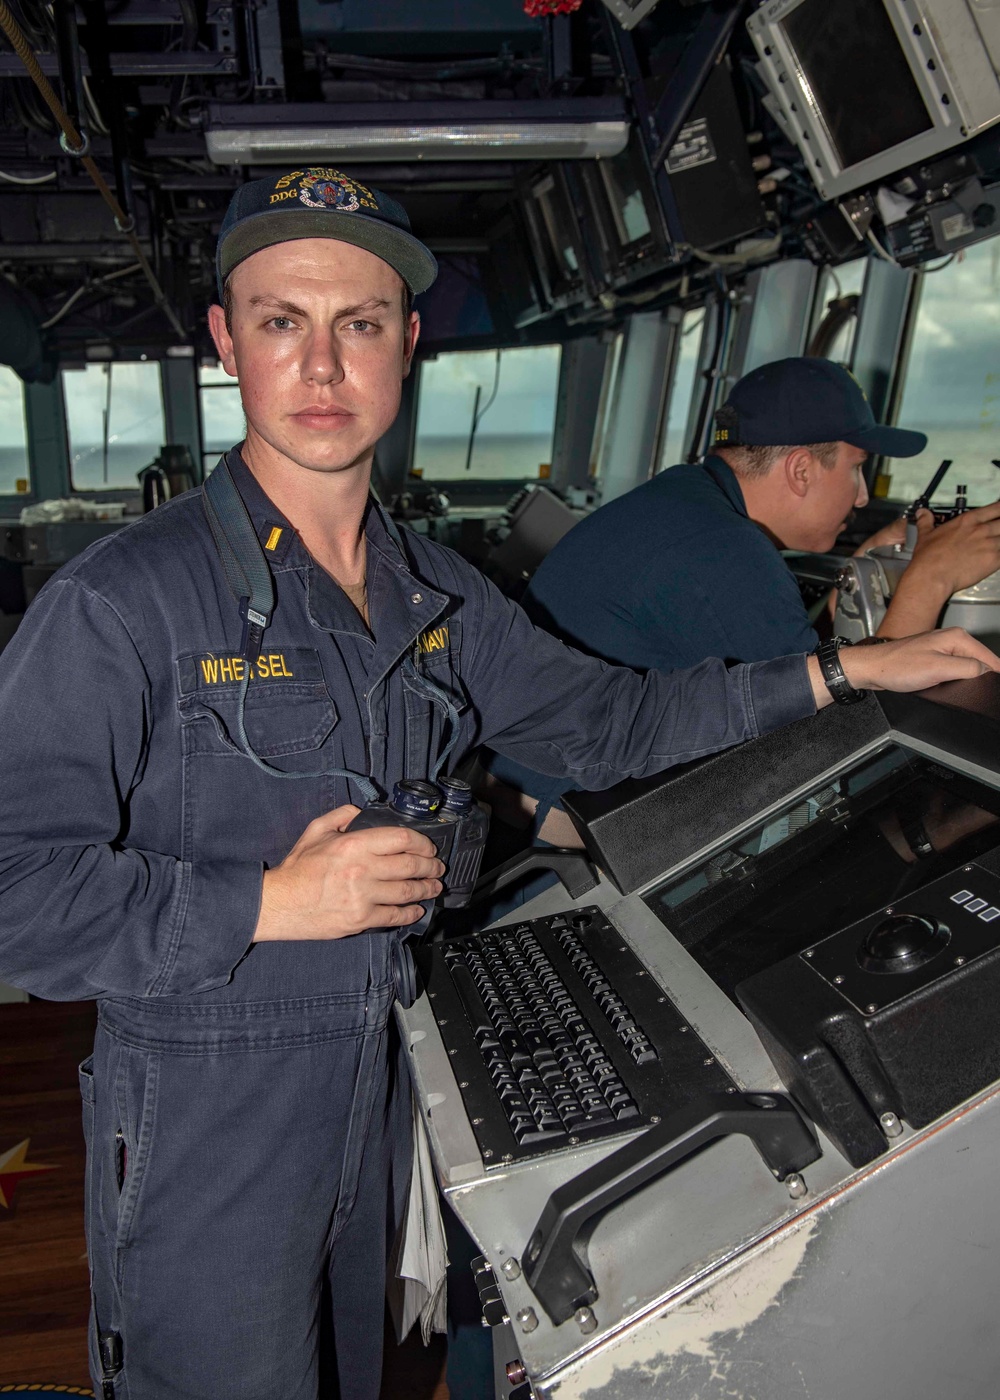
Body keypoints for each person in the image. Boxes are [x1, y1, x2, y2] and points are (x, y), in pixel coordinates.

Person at [0, 171, 993, 1400]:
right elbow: (17, 896)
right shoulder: (117, 603)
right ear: (223, 343)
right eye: (279, 321)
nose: (320, 365)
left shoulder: (435, 591)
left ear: (405, 346)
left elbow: (619, 718)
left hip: (374, 1069)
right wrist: (266, 899)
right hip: (209, 1100)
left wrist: (845, 667)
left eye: (357, 323)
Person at [485, 356, 1000, 844]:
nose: (862, 496)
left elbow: (795, 669)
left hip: (526, 792)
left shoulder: (684, 502)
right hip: (575, 832)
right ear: (801, 470)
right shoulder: (721, 551)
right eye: (855, 468)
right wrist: (930, 580)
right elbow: (849, 737)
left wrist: (862, 561)